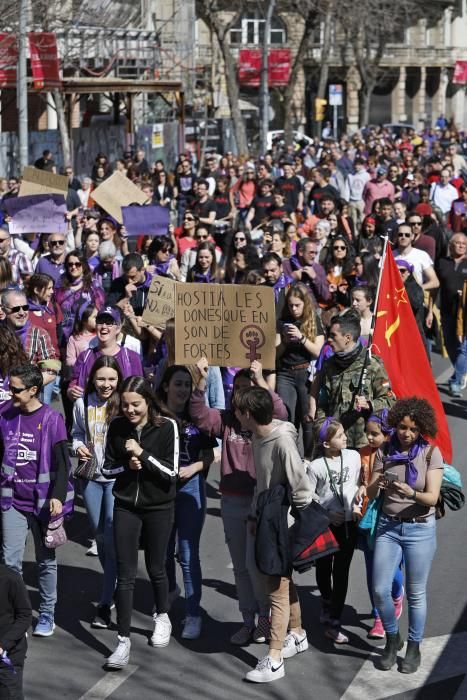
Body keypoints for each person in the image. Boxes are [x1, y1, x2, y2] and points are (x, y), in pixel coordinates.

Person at [190, 358, 288, 646]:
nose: (240, 395)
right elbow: (199, 415)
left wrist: (261, 382)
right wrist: (201, 381)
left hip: (260, 503)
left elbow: (282, 411)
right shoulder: (225, 419)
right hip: (232, 502)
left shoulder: (265, 420)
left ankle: (267, 618)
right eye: (237, 389)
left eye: (248, 390)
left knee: (257, 565)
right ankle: (249, 620)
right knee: (242, 567)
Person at [235, 386, 313, 684]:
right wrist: (255, 512)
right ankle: (297, 633)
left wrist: (295, 526)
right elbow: (263, 483)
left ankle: (275, 657)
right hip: (265, 516)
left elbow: (301, 487)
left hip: (281, 521)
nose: (235, 414)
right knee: (282, 581)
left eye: (238, 410)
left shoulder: (282, 441)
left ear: (249, 414)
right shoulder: (257, 436)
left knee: (275, 586)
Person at [102, 376, 179, 669]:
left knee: (157, 568)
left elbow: (171, 473)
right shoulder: (117, 426)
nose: (130, 410)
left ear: (148, 401)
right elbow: (108, 468)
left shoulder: (167, 426)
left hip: (159, 506)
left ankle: (162, 615)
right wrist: (126, 464)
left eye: (136, 404)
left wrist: (142, 454)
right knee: (126, 573)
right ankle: (122, 641)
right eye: (125, 405)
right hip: (126, 506)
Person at [366, 397, 443, 674]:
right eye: (401, 427)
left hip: (420, 529)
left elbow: (432, 498)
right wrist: (380, 479)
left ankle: (413, 646)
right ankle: (391, 638)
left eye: (412, 429)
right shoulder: (384, 450)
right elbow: (371, 493)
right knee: (379, 589)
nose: (406, 433)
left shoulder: (431, 453)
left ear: (421, 428)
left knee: (415, 592)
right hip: (388, 526)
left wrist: (410, 492)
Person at [0, 364, 74, 637]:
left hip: (43, 504)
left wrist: (57, 497)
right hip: (12, 500)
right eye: (10, 387)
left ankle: (46, 613)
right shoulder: (5, 414)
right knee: (10, 563)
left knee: (45, 561)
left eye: (16, 389)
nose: (11, 393)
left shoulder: (53, 420)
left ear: (33, 390)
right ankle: (14, 614)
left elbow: (64, 464)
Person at [156, 366, 216, 640]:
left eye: (186, 385)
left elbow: (213, 452)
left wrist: (194, 469)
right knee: (163, 551)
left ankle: (193, 613)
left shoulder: (197, 417)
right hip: (160, 488)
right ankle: (166, 601)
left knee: (188, 554)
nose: (182, 390)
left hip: (190, 486)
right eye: (177, 384)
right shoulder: (155, 415)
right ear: (166, 387)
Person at [72, 356, 123, 629]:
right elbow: (76, 433)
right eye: (101, 379)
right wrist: (77, 446)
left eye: (111, 379)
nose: (106, 385)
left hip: (116, 479)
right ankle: (112, 581)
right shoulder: (82, 404)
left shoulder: (124, 404)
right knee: (100, 536)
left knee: (111, 535)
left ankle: (104, 602)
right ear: (92, 378)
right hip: (91, 477)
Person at [306, 418, 361, 644]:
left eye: (344, 433)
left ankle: (334, 621)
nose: (345, 438)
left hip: (348, 524)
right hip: (326, 525)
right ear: (326, 444)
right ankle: (327, 601)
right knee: (323, 568)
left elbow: (361, 482)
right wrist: (327, 514)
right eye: (339, 436)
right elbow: (308, 496)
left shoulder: (354, 457)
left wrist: (360, 498)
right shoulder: (316, 466)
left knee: (341, 573)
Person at [310, 312, 395, 449]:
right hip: (335, 443)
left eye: (333, 335)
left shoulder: (372, 365)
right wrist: (322, 428)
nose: (328, 340)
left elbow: (390, 400)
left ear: (348, 338)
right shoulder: (329, 365)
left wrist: (369, 404)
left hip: (364, 443)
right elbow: (323, 402)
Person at [360, 410, 404, 640]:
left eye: (374, 434)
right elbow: (359, 481)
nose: (369, 438)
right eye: (367, 433)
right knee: (373, 570)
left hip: (393, 520)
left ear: (388, 434)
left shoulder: (398, 455)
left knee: (392, 570)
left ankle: (397, 593)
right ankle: (378, 615)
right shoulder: (361, 454)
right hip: (368, 520)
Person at [273, 283, 325, 457]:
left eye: (297, 305)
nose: (294, 309)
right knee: (286, 416)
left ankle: (308, 458)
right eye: (290, 305)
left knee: (307, 419)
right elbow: (275, 353)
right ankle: (290, 457)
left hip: (305, 374)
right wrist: (285, 341)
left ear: (305, 304)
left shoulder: (313, 320)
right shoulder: (282, 322)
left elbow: (318, 351)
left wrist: (301, 338)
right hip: (285, 373)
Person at [67, 306, 143, 401]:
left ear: (118, 328)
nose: (104, 327)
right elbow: (73, 384)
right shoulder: (84, 356)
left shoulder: (131, 357)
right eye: (100, 322)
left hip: (121, 413)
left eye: (109, 323)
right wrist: (71, 391)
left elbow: (140, 390)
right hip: (91, 412)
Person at [0, 564, 32, 700]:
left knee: (9, 694)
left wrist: (2, 645)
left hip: (8, 654)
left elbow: (25, 615)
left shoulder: (10, 578)